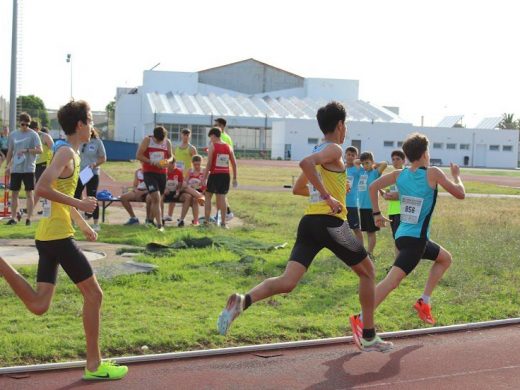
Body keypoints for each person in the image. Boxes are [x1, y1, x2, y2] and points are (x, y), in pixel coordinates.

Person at [217, 102, 393, 352]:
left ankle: (243, 301)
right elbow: (305, 164)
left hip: (309, 223)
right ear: (341, 125)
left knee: (287, 281)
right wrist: (328, 196)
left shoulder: (320, 148)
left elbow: (300, 188)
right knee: (368, 273)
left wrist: (331, 191)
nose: (346, 130)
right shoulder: (334, 148)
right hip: (332, 224)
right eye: (346, 125)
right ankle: (368, 334)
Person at [0, 100, 128, 381]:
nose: (93, 125)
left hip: (49, 236)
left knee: (39, 305)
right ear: (80, 125)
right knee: (94, 295)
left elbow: (61, 197)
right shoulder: (66, 153)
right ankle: (94, 366)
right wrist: (80, 206)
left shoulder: (71, 153)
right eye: (91, 121)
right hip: (57, 237)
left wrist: (82, 223)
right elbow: (43, 188)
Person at [350, 133, 465, 339]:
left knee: (445, 259)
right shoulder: (433, 173)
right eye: (428, 151)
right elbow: (460, 193)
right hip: (414, 242)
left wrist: (376, 213)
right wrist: (456, 175)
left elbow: (373, 186)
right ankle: (360, 318)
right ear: (423, 154)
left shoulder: (399, 174)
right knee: (391, 282)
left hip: (404, 236)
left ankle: (424, 302)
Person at [4, 112, 42, 225]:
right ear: (19, 123)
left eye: (27, 125)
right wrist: (7, 166)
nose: (25, 127)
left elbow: (40, 150)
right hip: (16, 168)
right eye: (23, 124)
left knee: (29, 193)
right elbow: (10, 151)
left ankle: (28, 218)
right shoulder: (13, 135)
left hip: (29, 168)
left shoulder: (33, 135)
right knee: (14, 193)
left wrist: (27, 150)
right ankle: (13, 217)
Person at [136, 126, 173, 232]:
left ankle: (150, 220)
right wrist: (151, 162)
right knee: (156, 198)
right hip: (149, 173)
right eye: (157, 140)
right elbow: (138, 155)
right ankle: (160, 225)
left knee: (158, 199)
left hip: (162, 174)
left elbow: (171, 156)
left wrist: (167, 161)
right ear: (154, 136)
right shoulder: (147, 140)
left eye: (161, 140)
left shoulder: (167, 142)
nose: (159, 142)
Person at [203, 127, 237, 229]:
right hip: (225, 175)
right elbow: (234, 163)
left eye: (211, 137)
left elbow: (209, 163)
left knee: (208, 196)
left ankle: (207, 222)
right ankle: (223, 223)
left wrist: (204, 177)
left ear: (213, 135)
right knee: (222, 198)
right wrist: (235, 177)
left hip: (215, 174)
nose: (210, 139)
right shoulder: (228, 147)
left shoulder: (212, 146)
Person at [74, 128, 106, 232]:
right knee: (76, 195)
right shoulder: (79, 140)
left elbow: (103, 158)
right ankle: (74, 221)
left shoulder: (97, 142)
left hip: (91, 172)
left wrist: (95, 164)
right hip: (80, 172)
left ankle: (96, 223)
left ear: (92, 131)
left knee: (92, 196)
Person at [357, 152, 387, 258]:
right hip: (362, 207)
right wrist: (362, 162)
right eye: (363, 163)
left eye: (367, 163)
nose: (365, 165)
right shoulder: (362, 172)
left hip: (371, 207)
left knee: (371, 232)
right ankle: (368, 252)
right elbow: (356, 162)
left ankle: (369, 254)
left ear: (372, 162)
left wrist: (374, 164)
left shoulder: (375, 173)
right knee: (367, 232)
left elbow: (385, 164)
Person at [166, 128, 197, 222]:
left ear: (190, 136)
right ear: (181, 135)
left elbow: (196, 161)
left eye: (188, 135)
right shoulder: (176, 148)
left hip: (186, 177)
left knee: (187, 197)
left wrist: (194, 173)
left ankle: (184, 217)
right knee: (172, 193)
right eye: (184, 135)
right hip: (176, 175)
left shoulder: (191, 148)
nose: (186, 137)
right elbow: (172, 160)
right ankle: (169, 215)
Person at [382, 150, 405, 255]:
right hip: (392, 212)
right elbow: (387, 195)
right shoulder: (392, 176)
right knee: (396, 239)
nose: (395, 162)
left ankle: (400, 264)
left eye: (398, 159)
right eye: (393, 159)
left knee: (401, 239)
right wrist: (379, 189)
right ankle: (397, 263)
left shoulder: (406, 175)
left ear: (403, 161)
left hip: (403, 212)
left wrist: (394, 196)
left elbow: (405, 195)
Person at [213, 118, 235, 221]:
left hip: (221, 169)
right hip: (222, 168)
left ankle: (226, 213)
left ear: (222, 126)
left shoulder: (223, 137)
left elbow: (227, 153)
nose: (214, 126)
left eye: (216, 125)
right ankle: (223, 213)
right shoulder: (227, 137)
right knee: (220, 194)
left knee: (220, 194)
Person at [33, 124, 54, 215]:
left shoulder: (45, 137)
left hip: (44, 164)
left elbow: (54, 149)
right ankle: (46, 209)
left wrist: (52, 163)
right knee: (41, 187)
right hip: (36, 164)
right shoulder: (33, 137)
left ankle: (34, 207)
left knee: (41, 186)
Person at [345, 146, 363, 244]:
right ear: (345, 155)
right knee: (341, 228)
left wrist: (358, 163)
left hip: (352, 204)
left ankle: (361, 250)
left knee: (356, 228)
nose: (350, 157)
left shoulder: (357, 169)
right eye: (348, 154)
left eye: (353, 155)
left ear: (356, 156)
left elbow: (365, 173)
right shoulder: (341, 168)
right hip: (340, 203)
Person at [184, 154, 206, 225]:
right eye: (195, 164)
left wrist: (203, 192)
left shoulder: (205, 171)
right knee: (186, 187)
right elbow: (185, 183)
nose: (196, 166)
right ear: (192, 163)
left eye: (198, 164)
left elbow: (209, 184)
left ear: (201, 162)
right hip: (190, 191)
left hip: (202, 191)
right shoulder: (190, 171)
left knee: (194, 200)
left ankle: (196, 221)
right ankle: (200, 197)